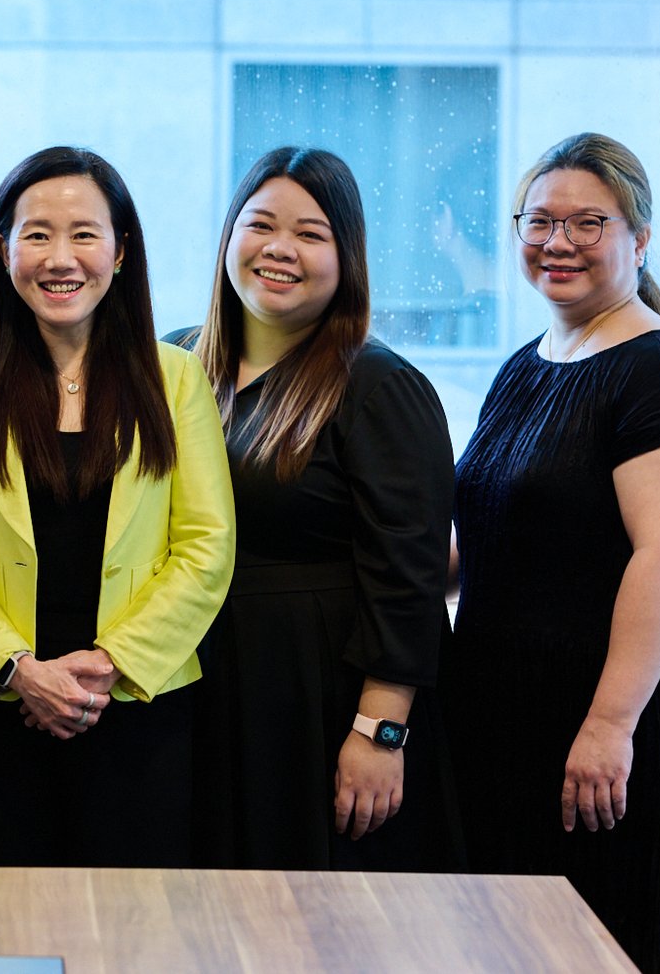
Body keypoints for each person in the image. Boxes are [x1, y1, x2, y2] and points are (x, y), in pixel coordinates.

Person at [442, 133, 660, 972]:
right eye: (539, 220)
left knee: (615, 948)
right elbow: (478, 538)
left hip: (615, 725)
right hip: (510, 716)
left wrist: (610, 724)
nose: (558, 241)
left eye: (588, 222)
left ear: (639, 238)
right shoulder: (526, 367)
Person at [0, 146, 236, 866]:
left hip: (138, 706)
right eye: (37, 233)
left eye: (84, 232)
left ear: (120, 251)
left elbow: (206, 547)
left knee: (132, 932)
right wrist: (21, 668)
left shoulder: (175, 377)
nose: (61, 256)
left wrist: (107, 666)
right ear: (3, 249)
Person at [173, 147, 462, 871]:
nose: (280, 248)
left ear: (347, 256)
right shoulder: (174, 364)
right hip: (193, 689)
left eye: (310, 232)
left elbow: (411, 576)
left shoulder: (380, 385)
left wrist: (379, 731)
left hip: (318, 697)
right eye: (261, 224)